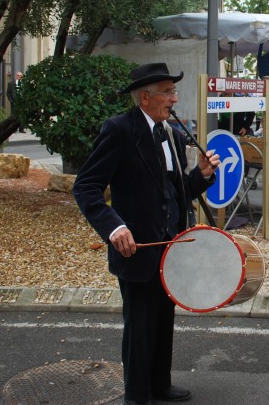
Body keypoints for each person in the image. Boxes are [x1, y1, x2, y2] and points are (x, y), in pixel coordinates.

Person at [72, 62, 221, 405]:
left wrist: (201, 175)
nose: (174, 98)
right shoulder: (119, 130)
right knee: (139, 326)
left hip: (170, 247)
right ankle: (137, 396)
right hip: (135, 248)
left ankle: (160, 384)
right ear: (145, 97)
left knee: (163, 319)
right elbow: (86, 188)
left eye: (173, 90)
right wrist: (114, 226)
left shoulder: (170, 132)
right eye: (167, 92)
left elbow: (174, 189)